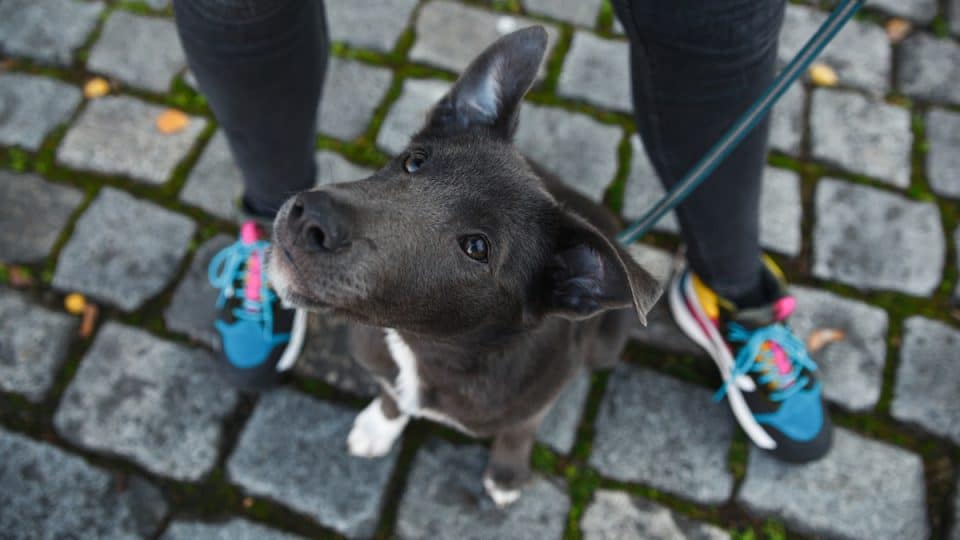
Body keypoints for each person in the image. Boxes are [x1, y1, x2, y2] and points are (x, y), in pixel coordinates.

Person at [173, 0, 832, 462]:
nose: (320, 214)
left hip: (507, 364)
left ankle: (732, 290)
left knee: (712, 16)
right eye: (414, 162)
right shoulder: (369, 332)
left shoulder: (525, 369)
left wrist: (511, 451)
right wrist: (391, 406)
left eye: (476, 246)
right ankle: (266, 228)